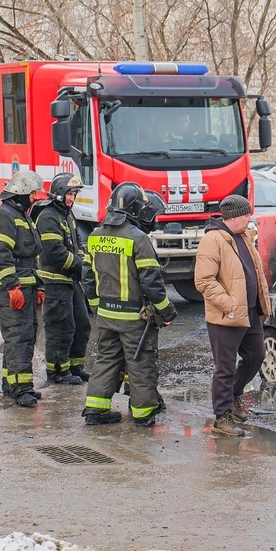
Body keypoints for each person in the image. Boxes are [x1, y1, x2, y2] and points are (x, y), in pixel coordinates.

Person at [81, 183, 177, 427]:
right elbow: (151, 282)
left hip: (105, 314)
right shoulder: (138, 238)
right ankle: (143, 414)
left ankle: (95, 409)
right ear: (136, 210)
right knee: (141, 363)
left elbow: (88, 277)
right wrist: (166, 310)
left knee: (106, 359)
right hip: (133, 317)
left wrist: (96, 307)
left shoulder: (94, 235)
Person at [194, 194, 270, 438]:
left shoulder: (243, 236)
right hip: (226, 315)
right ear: (235, 217)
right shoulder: (212, 240)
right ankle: (221, 417)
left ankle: (234, 394)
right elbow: (204, 280)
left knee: (256, 356)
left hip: (250, 312)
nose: (250, 218)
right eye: (246, 214)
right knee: (224, 368)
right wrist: (228, 304)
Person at [0, 170, 45, 407]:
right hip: (11, 289)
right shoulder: (5, 216)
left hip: (26, 286)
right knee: (18, 338)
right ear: (21, 192)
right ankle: (21, 388)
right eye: (33, 193)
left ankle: (11, 385)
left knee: (25, 336)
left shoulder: (21, 215)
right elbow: (0, 255)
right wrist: (12, 287)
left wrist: (39, 286)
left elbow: (31, 258)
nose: (36, 197)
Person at [35, 173, 90, 385]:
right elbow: (54, 252)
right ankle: (57, 372)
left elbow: (78, 245)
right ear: (59, 193)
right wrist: (80, 265)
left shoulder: (67, 214)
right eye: (69, 193)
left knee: (82, 325)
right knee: (61, 327)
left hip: (70, 281)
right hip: (55, 282)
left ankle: (75, 366)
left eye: (74, 194)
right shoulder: (48, 216)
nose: (72, 198)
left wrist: (83, 262)